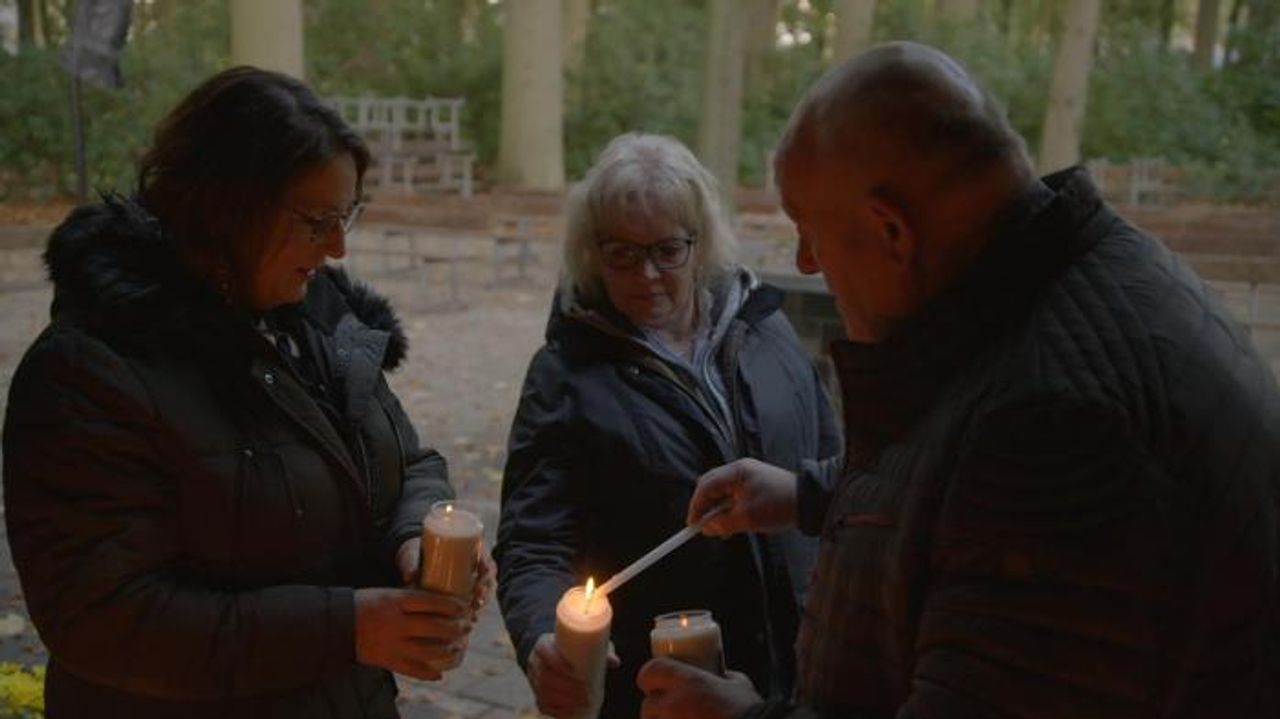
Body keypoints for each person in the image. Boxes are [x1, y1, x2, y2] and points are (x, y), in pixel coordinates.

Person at [637, 41, 1280, 719]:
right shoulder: (1080, 286)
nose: (805, 260)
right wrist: (811, 495)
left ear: (892, 229)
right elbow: (970, 508)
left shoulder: (1054, 427)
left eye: (809, 231)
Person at [2, 67, 495, 718]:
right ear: (228, 206)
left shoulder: (322, 322)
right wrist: (347, 626)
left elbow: (408, 460)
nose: (340, 247)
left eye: (347, 215)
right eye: (318, 220)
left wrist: (418, 538)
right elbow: (103, 618)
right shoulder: (89, 372)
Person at [494, 133, 842, 719]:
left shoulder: (766, 330)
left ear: (699, 242)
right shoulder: (566, 373)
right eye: (622, 254)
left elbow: (839, 473)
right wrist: (541, 637)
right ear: (590, 252)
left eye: (666, 250)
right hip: (659, 684)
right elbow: (534, 541)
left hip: (799, 670)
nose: (648, 274)